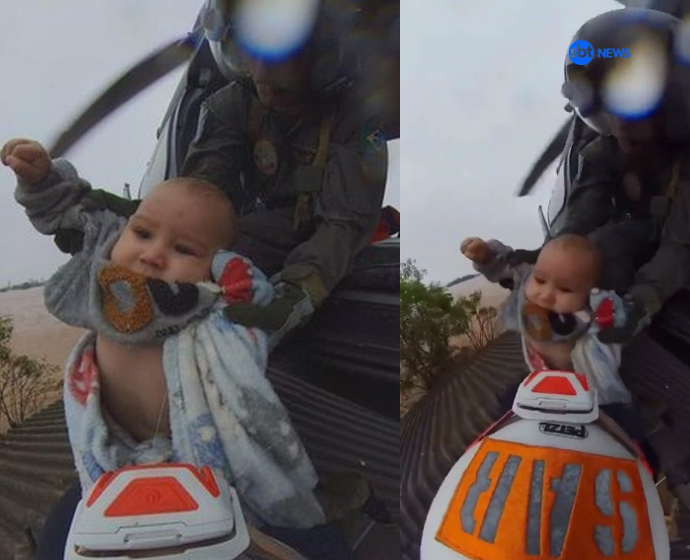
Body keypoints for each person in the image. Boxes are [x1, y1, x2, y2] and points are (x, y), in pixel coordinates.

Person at [2, 138, 356, 560]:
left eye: (183, 249)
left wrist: (235, 277)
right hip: (118, 463)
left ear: (215, 265)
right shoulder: (102, 289)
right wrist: (43, 179)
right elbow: (76, 213)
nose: (153, 255)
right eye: (143, 232)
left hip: (213, 469)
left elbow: (263, 308)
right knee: (61, 536)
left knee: (312, 535)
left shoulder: (214, 312)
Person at [53, 0, 390, 350]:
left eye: (285, 55)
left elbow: (343, 224)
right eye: (251, 49)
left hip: (327, 238)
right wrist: (95, 211)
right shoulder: (234, 105)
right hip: (267, 230)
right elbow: (194, 201)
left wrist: (296, 295)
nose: (263, 73)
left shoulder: (355, 120)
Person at [537, 8, 690, 345]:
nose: (621, 126)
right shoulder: (601, 151)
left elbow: (682, 246)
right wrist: (547, 271)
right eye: (609, 109)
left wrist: (639, 304)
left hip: (673, 264)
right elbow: (578, 221)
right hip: (625, 257)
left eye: (634, 109)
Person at [461, 234, 632, 406]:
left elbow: (614, 322)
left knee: (618, 414)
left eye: (565, 289)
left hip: (584, 386)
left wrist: (609, 318)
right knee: (508, 400)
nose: (546, 295)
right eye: (540, 280)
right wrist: (486, 255)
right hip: (541, 371)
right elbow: (507, 264)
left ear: (589, 293)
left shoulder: (592, 314)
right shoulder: (526, 282)